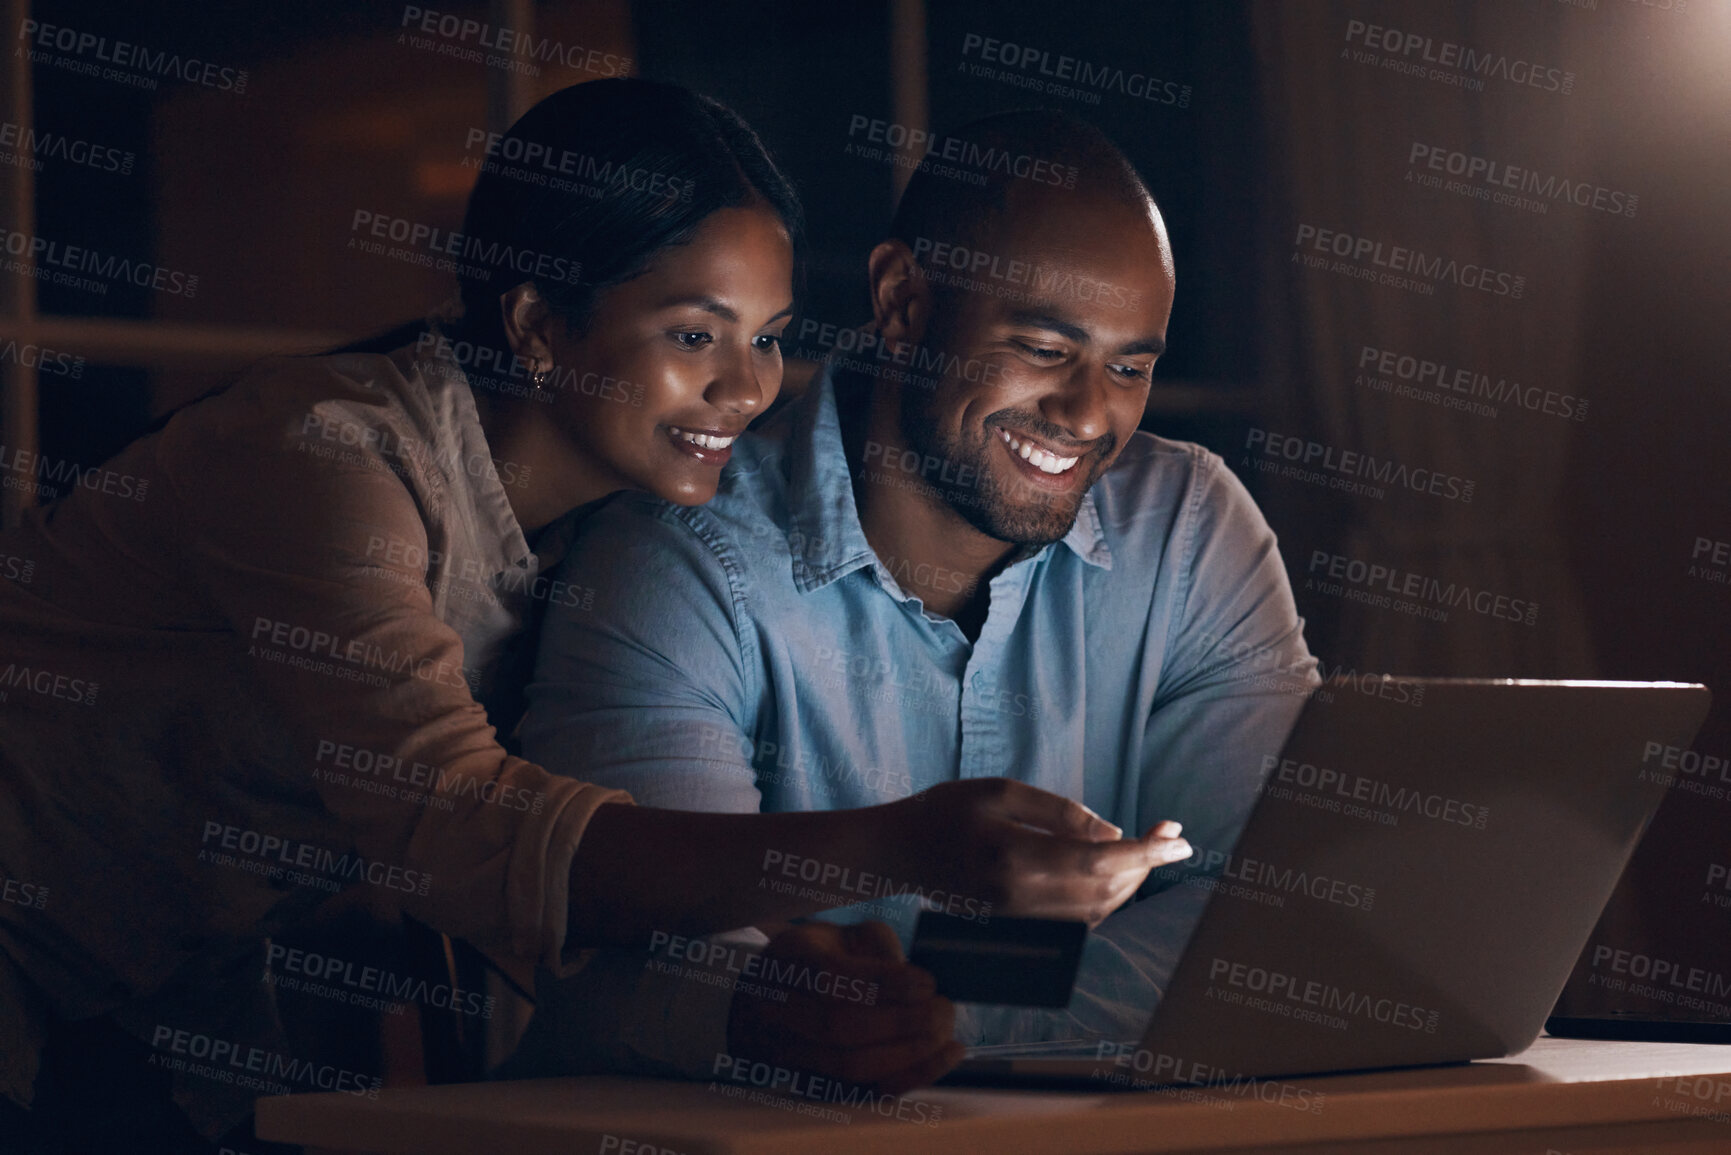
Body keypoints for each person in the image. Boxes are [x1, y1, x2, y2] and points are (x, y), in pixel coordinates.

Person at [0, 83, 1185, 1152]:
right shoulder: (332, 458)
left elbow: (595, 884)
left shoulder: (606, 542)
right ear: (532, 324)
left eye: (767, 337)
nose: (746, 386)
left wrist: (773, 985)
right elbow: (462, 828)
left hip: (154, 1000)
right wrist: (906, 842)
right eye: (691, 334)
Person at [513, 109, 1319, 1080]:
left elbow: (1269, 916)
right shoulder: (677, 560)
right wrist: (773, 1015)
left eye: (1130, 367)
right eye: (1046, 348)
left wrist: (933, 1021)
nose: (1089, 413)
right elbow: (642, 956)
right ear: (902, 300)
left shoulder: (1188, 529)